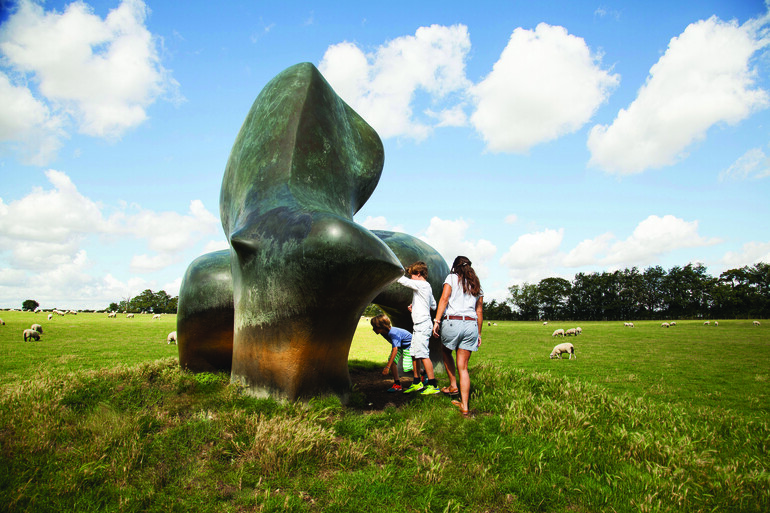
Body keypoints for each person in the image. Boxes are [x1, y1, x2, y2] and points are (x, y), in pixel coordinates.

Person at [432, 256, 483, 416]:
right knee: (464, 367)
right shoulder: (476, 284)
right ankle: (465, 406)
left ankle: (453, 384)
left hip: (453, 322)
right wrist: (479, 333)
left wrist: (437, 320)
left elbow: (444, 298)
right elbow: (479, 311)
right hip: (471, 325)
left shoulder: (452, 278)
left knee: (446, 351)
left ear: (455, 267)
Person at [397, 261, 440, 395]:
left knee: (423, 354)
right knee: (414, 354)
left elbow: (403, 281)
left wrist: (392, 273)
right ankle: (417, 382)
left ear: (419, 274)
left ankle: (433, 385)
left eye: (412, 275)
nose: (411, 278)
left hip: (422, 325)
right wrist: (415, 306)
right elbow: (433, 305)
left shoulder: (421, 284)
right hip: (418, 326)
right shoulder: (426, 287)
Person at [370, 314, 414, 392]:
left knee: (408, 367)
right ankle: (397, 384)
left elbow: (395, 349)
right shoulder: (383, 332)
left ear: (382, 327)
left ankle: (424, 373)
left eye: (375, 327)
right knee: (392, 361)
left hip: (409, 345)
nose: (373, 329)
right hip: (400, 345)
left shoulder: (393, 333)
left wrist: (387, 367)